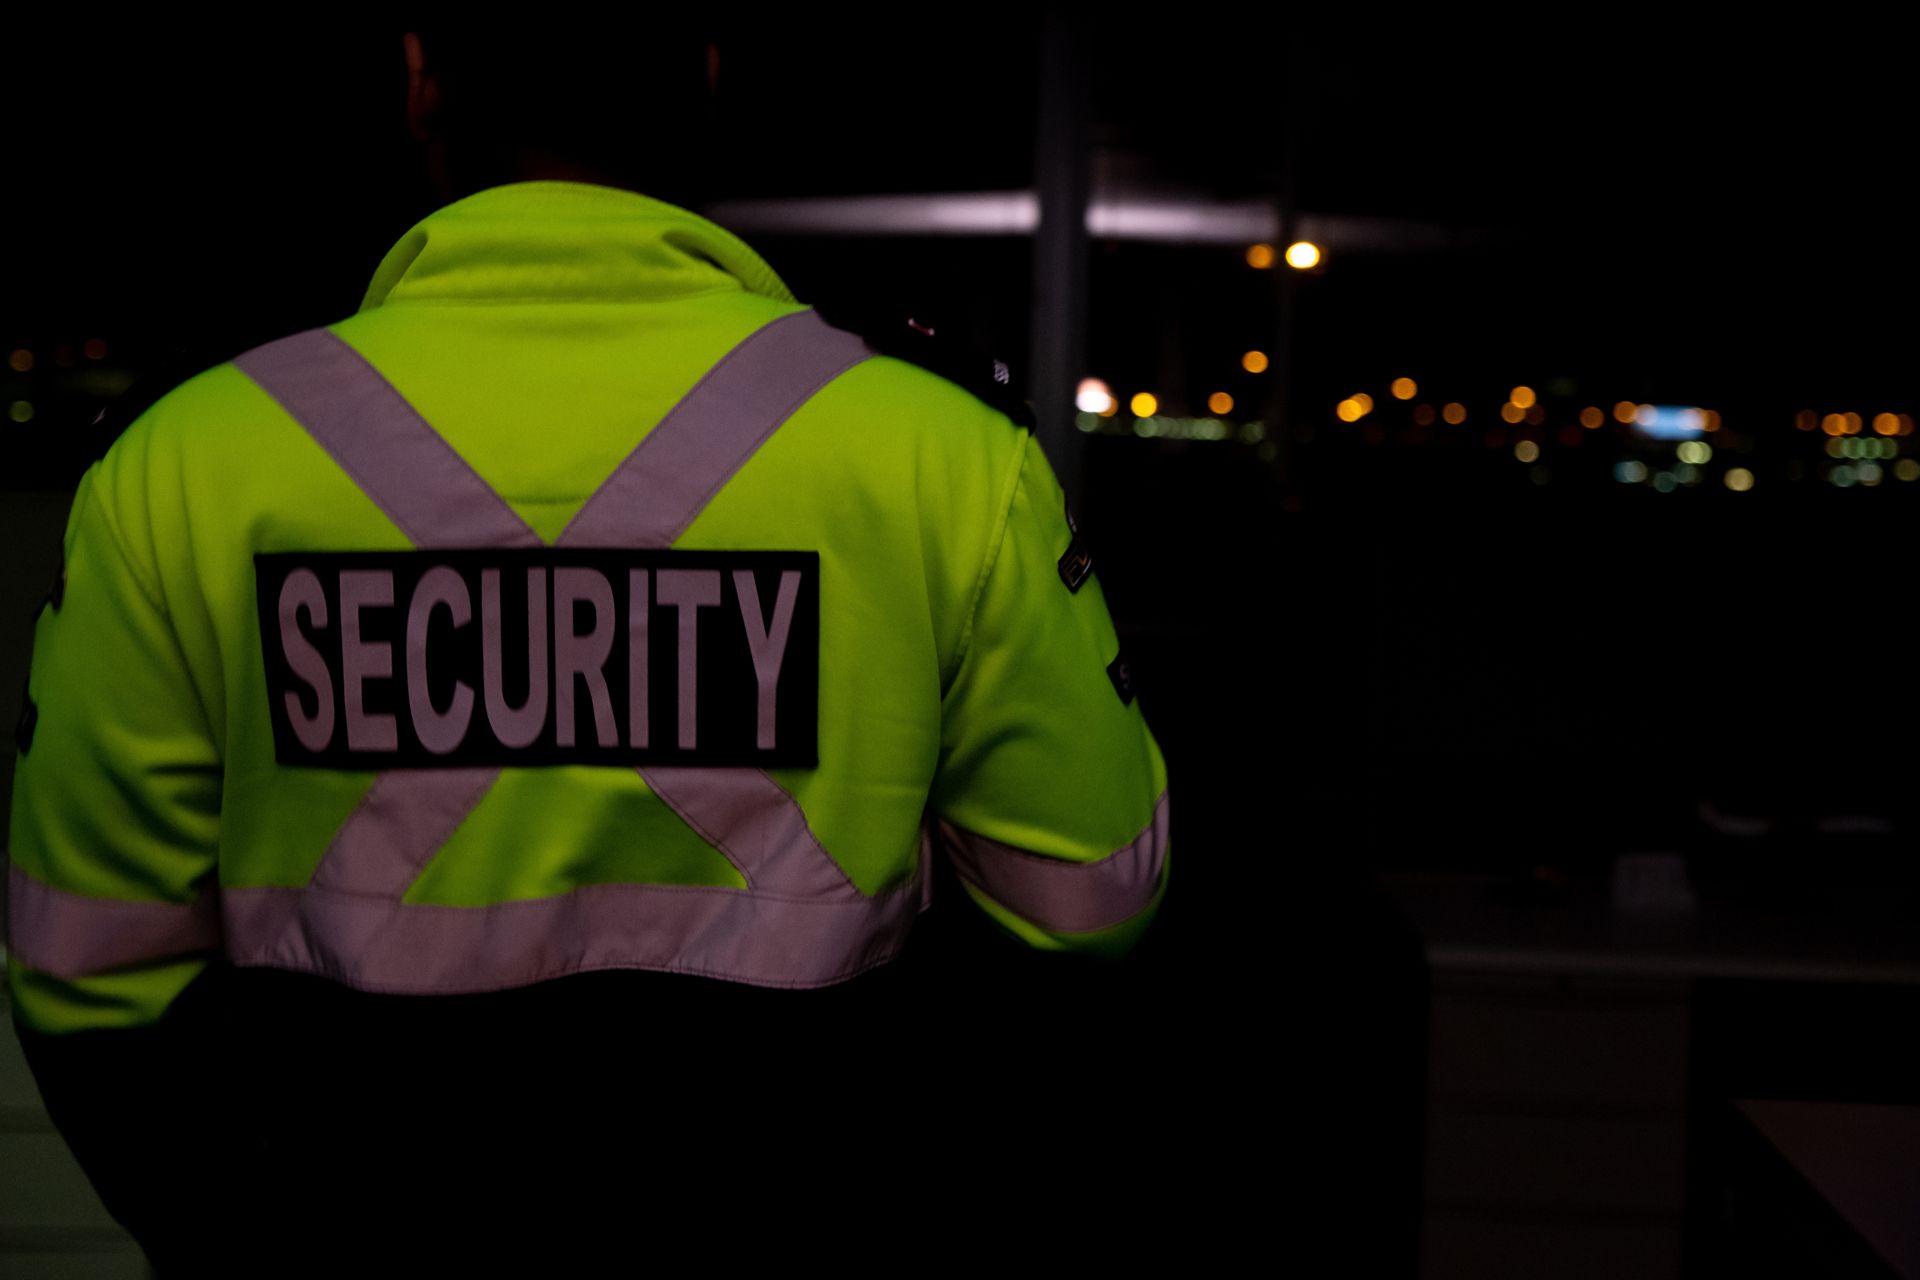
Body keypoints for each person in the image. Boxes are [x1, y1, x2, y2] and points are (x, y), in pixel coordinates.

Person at [7, 21, 1169, 1270]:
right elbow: (1088, 899)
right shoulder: (942, 453)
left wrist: (239, 1236)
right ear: (708, 74)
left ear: (420, 80)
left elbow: (89, 968)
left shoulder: (186, 461)